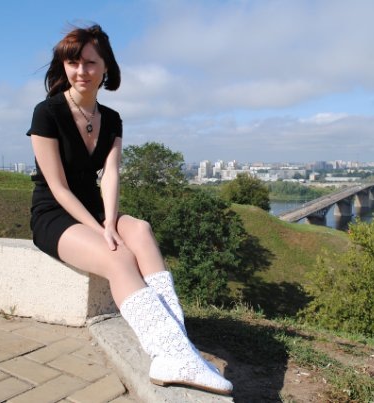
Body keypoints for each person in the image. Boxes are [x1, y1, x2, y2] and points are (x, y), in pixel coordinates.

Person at [26, 24, 232, 395]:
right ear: (64, 66)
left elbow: (110, 174)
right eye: (73, 63)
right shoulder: (47, 113)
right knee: (118, 256)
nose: (81, 71)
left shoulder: (111, 118)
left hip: (93, 209)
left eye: (90, 62)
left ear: (106, 66)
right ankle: (168, 353)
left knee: (140, 229)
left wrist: (109, 220)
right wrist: (100, 230)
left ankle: (177, 341)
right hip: (54, 214)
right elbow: (57, 187)